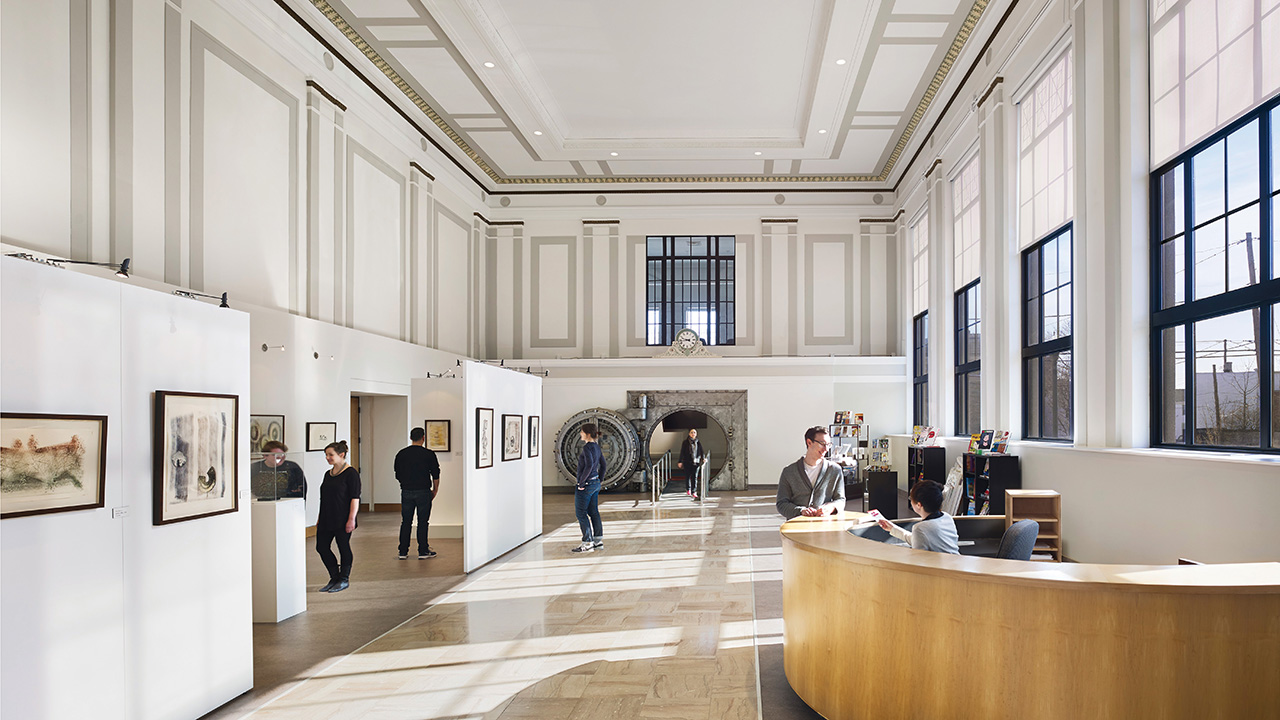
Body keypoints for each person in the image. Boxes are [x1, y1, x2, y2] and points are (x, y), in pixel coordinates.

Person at [316, 440, 361, 592]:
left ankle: (344, 579)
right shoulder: (328, 474)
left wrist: (351, 519)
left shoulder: (351, 474)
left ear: (341, 455)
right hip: (326, 517)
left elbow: (355, 498)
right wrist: (319, 517)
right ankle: (334, 577)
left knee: (343, 547)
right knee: (321, 547)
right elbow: (324, 498)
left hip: (342, 518)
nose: (327, 458)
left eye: (330, 455)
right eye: (326, 455)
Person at [776, 426, 846, 519]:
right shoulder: (789, 472)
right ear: (809, 442)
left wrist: (831, 507)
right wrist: (801, 511)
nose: (826, 449)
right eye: (822, 444)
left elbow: (840, 500)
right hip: (797, 524)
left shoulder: (834, 470)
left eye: (828, 444)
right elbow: (781, 503)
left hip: (824, 523)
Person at [874, 480, 959, 554]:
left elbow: (918, 558)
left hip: (939, 567)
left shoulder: (920, 528)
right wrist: (892, 528)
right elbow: (917, 539)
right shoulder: (947, 517)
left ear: (919, 505)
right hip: (955, 563)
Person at [394, 427, 440, 560]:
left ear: (411, 438)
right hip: (423, 491)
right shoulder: (429, 454)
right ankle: (423, 551)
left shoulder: (401, 454)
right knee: (423, 522)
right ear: (423, 438)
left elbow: (397, 474)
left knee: (406, 522)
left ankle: (403, 551)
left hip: (406, 491)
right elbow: (435, 474)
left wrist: (405, 484)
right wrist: (435, 490)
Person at [571, 423, 606, 554]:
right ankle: (598, 541)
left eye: (582, 432)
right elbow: (603, 464)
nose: (580, 434)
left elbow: (589, 465)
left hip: (586, 485)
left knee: (581, 513)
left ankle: (587, 543)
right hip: (595, 483)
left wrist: (581, 483)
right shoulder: (596, 447)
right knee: (594, 512)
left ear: (588, 434)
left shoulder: (587, 448)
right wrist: (599, 480)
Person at [677, 428, 705, 499]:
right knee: (688, 476)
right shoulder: (685, 442)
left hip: (696, 462)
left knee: (695, 477)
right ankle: (688, 489)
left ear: (696, 434)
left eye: (694, 432)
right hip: (687, 461)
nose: (693, 434)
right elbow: (682, 452)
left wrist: (703, 458)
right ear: (689, 434)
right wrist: (680, 461)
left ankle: (694, 491)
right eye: (692, 432)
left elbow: (701, 451)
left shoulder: (698, 442)